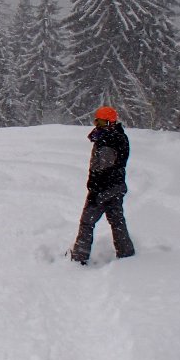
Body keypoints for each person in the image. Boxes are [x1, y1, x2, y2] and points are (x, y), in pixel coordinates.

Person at [70, 105, 135, 264]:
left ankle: (79, 257)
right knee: (117, 221)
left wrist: (94, 190)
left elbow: (103, 168)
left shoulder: (108, 140)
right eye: (96, 121)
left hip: (103, 190)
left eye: (101, 123)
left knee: (87, 222)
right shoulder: (119, 136)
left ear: (109, 123)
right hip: (117, 187)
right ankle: (126, 252)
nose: (97, 125)